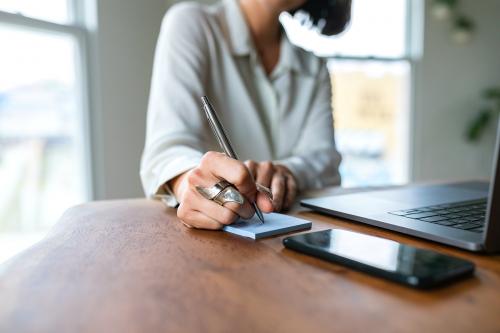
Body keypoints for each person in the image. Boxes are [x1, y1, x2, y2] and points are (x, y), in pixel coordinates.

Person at [140, 0, 352, 229]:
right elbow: (167, 150)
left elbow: (326, 164)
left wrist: (288, 172)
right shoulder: (191, 24)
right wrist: (190, 183)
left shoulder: (314, 68)